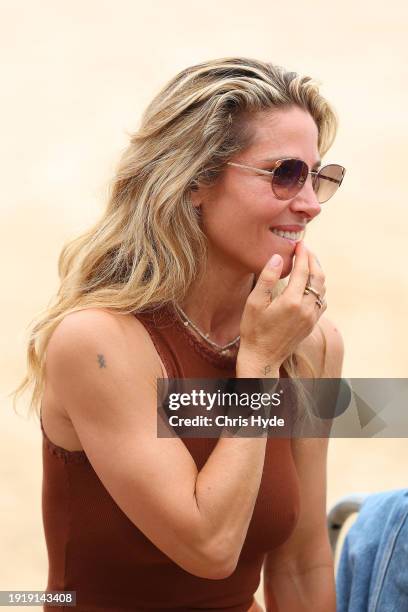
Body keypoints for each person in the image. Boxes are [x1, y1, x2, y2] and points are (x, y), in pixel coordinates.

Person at [12, 57, 345, 611]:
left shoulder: (311, 344)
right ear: (194, 181)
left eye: (319, 177)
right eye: (285, 173)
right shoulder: (97, 343)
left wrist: (269, 352)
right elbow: (208, 547)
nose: (309, 203)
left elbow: (303, 561)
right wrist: (258, 367)